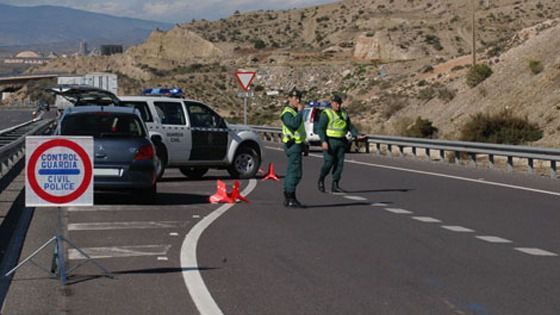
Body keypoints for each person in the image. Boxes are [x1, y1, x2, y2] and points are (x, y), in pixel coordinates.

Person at [316, 94, 363, 193]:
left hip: (341, 141)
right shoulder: (327, 113)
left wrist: (357, 135)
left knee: (339, 164)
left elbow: (350, 126)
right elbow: (320, 129)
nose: (337, 105)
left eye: (339, 104)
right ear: (332, 103)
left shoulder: (344, 114)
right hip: (330, 141)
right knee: (328, 163)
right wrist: (323, 141)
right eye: (335, 103)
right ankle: (321, 179)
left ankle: (335, 184)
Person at [280, 89, 306, 208]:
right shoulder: (288, 112)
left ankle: (290, 196)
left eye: (299, 98)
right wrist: (300, 113)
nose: (298, 100)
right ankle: (290, 197)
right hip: (292, 144)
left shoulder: (293, 111)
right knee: (295, 172)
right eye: (295, 98)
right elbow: (294, 124)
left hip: (297, 144)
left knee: (293, 171)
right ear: (289, 98)